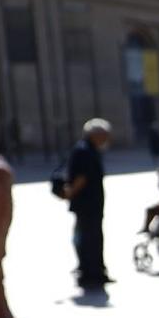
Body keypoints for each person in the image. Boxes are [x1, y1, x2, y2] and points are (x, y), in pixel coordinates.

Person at [59, 117, 112, 288]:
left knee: (93, 237)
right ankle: (90, 272)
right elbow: (81, 178)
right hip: (86, 205)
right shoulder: (84, 151)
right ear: (94, 135)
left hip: (92, 204)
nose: (106, 139)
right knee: (88, 238)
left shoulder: (90, 149)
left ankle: (96, 270)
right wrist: (70, 194)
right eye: (103, 135)